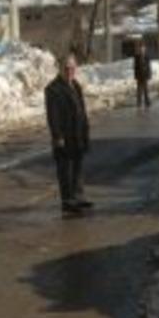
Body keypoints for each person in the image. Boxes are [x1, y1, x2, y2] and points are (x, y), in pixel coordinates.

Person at [45, 53, 92, 213]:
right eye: (66, 68)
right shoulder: (53, 89)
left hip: (78, 134)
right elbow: (52, 116)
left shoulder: (76, 85)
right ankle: (68, 201)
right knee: (65, 170)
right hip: (64, 136)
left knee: (78, 168)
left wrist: (86, 129)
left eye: (72, 67)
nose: (70, 71)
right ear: (60, 69)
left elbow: (82, 110)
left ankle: (78, 196)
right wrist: (57, 136)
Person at [133, 42, 152, 109]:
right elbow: (135, 67)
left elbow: (149, 66)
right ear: (139, 49)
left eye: (143, 48)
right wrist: (135, 75)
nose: (142, 49)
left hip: (145, 75)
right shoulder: (136, 56)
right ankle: (139, 102)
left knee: (146, 89)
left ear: (145, 48)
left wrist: (149, 74)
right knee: (139, 90)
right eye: (141, 48)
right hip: (139, 75)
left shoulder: (147, 56)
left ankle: (147, 102)